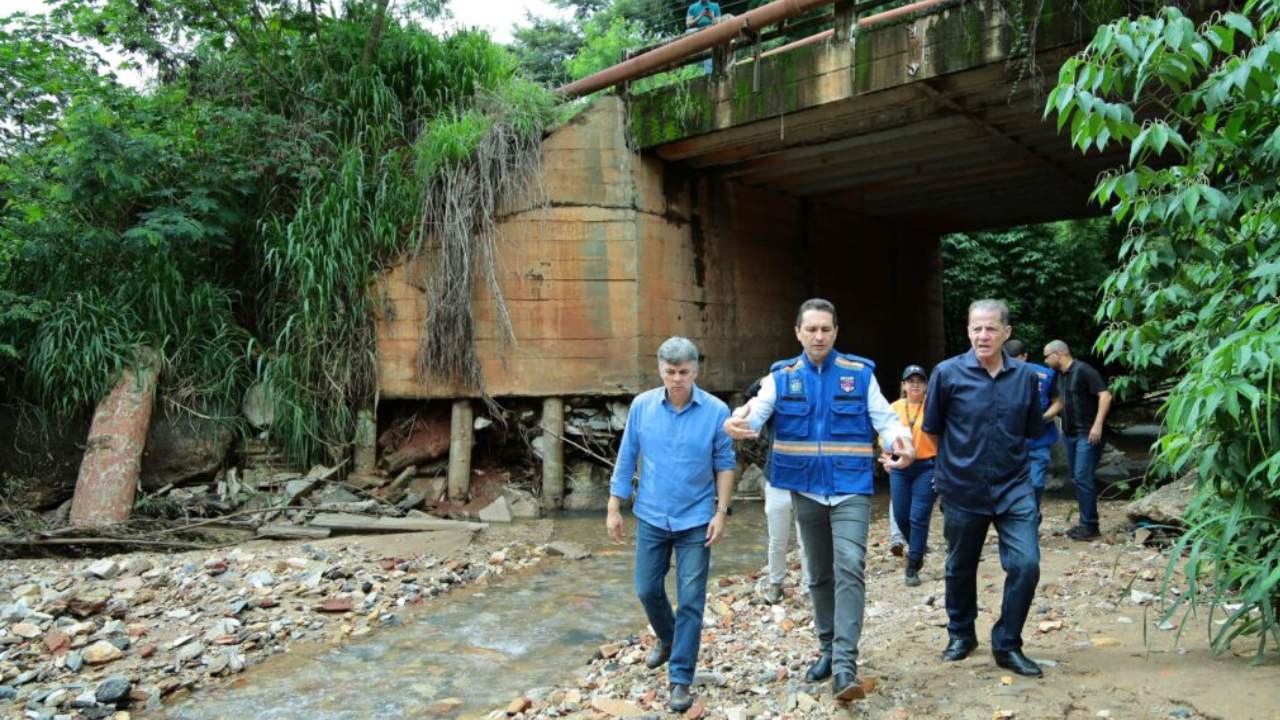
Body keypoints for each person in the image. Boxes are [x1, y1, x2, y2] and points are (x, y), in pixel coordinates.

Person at [724, 298, 914, 701]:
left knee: (849, 566)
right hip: (805, 489)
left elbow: (886, 420)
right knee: (818, 574)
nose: (819, 335)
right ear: (798, 332)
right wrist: (740, 423)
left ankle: (845, 666)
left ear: (836, 331)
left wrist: (903, 444)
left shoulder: (860, 375)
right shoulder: (781, 377)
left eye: (825, 328)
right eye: (811, 329)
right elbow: (756, 411)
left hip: (850, 489)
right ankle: (827, 648)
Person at [607, 336, 736, 713]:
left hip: (697, 520)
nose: (676, 379)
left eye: (683, 372)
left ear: (695, 370)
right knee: (647, 588)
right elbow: (627, 455)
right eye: (670, 372)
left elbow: (725, 464)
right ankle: (667, 637)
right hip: (650, 514)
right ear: (659, 370)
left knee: (692, 601)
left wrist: (721, 512)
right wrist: (615, 507)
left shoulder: (715, 411)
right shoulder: (642, 406)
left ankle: (680, 678)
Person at [922, 299, 1047, 678]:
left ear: (1006, 333)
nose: (983, 335)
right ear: (968, 332)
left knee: (1026, 564)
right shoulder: (947, 374)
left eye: (991, 328)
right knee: (959, 567)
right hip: (962, 488)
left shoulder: (1027, 377)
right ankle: (961, 633)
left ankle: (1007, 643)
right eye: (976, 328)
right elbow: (933, 429)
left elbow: (1031, 432)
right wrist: (946, 471)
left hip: (1014, 488)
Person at [743, 377, 810, 605]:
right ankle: (775, 585)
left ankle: (809, 586)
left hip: (806, 482)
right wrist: (768, 379)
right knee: (777, 539)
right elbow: (749, 394)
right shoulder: (772, 405)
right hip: (777, 480)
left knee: (807, 539)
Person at [1042, 339, 1112, 541]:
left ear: (1058, 354)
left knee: (1082, 477)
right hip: (1070, 433)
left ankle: (1090, 526)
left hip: (1087, 433)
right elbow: (1061, 402)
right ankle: (1086, 523)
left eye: (1047, 356)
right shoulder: (1060, 376)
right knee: (1077, 477)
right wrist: (1043, 418)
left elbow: (1105, 396)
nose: (1046, 361)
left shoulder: (1083, 370)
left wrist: (1098, 424)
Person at [888, 364, 938, 586]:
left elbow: (945, 435)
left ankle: (913, 563)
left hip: (927, 466)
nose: (915, 384)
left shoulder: (934, 407)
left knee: (918, 516)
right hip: (900, 467)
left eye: (920, 381)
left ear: (926, 385)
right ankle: (917, 545)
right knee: (901, 515)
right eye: (911, 381)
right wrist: (887, 456)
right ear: (903, 385)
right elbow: (885, 434)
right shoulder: (894, 408)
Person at [1004, 339, 1062, 514]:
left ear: (1025, 357)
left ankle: (1033, 515)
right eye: (1009, 358)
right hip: (1011, 442)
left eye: (1017, 358)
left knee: (1036, 483)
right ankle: (1019, 519)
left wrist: (1044, 417)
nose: (1013, 363)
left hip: (1039, 440)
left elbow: (1058, 402)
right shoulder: (998, 377)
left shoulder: (1045, 376)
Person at [685, 1, 721, 74]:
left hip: (711, 33)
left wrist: (711, 16)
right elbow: (688, 24)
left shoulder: (715, 6)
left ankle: (709, 72)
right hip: (697, 34)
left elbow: (720, 23)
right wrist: (700, 15)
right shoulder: (692, 7)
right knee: (689, 31)